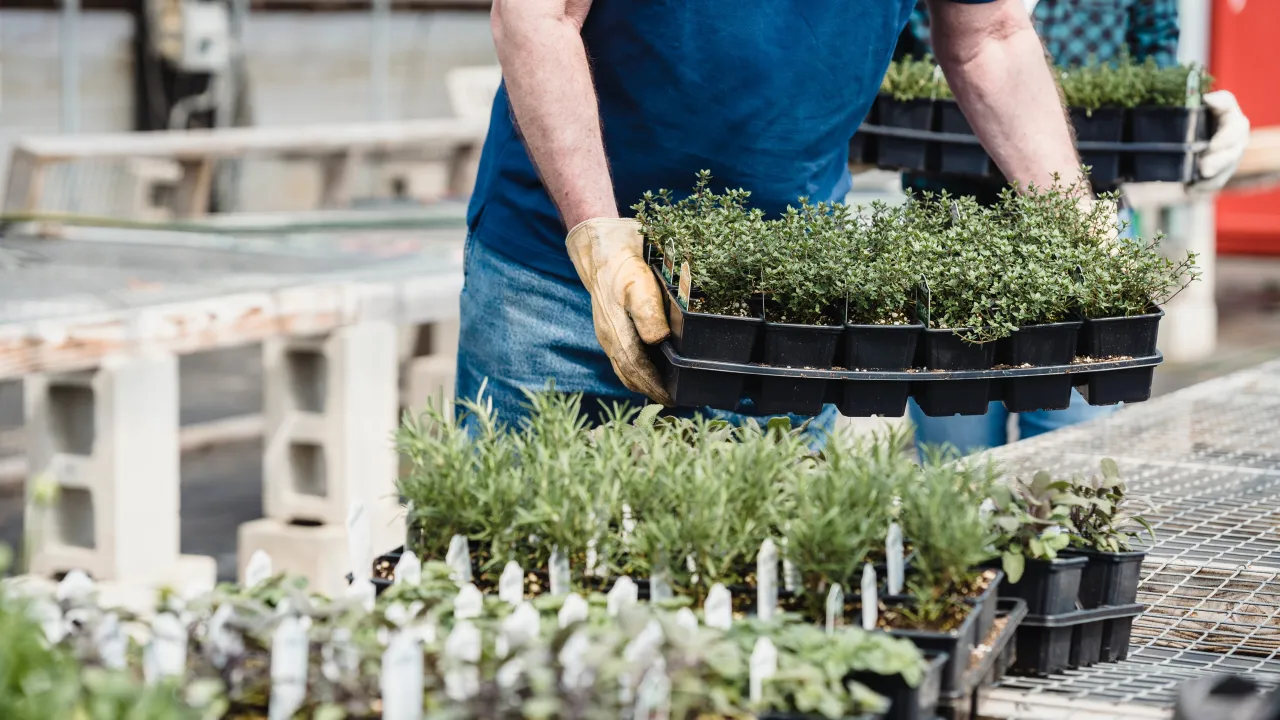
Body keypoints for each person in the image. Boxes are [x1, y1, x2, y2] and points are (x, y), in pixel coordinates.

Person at [457, 0, 1108, 433]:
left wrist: (1074, 218)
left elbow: (989, 37)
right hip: (558, 287)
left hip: (784, 318)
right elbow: (539, 15)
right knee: (528, 599)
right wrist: (599, 236)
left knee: (764, 608)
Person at [897, 0, 1251, 455]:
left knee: (1067, 473)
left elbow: (1153, 74)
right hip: (948, 233)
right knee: (957, 470)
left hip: (1090, 236)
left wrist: (1197, 119)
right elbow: (888, 70)